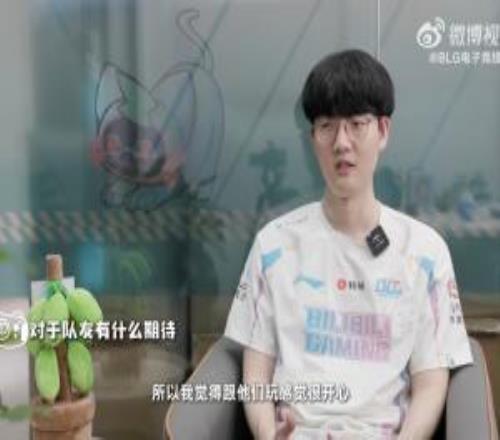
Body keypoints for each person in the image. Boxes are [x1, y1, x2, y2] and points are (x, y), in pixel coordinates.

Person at [223, 49, 472, 440]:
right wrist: (268, 434)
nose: (342, 142)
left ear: (383, 131)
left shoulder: (424, 252)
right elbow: (256, 370)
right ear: (313, 137)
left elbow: (430, 380)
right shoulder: (275, 245)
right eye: (327, 126)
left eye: (357, 124)